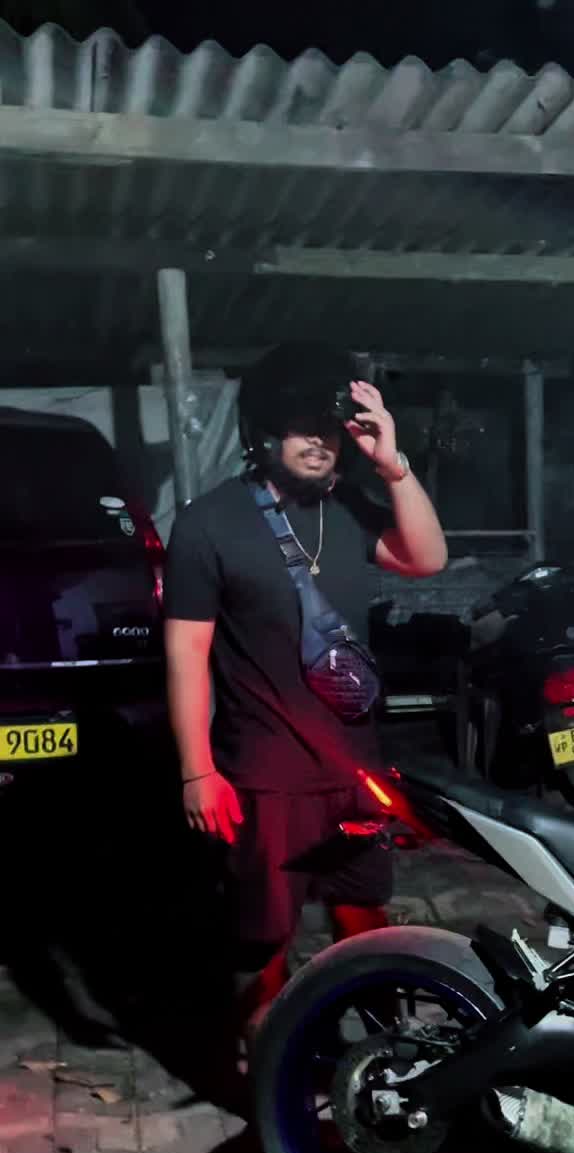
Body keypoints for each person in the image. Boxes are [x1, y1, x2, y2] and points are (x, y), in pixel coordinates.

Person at [163, 340, 448, 1050]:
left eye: (330, 427)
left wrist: (392, 465)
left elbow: (427, 558)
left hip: (354, 770)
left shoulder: (347, 509)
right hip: (265, 778)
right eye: (302, 426)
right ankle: (266, 1061)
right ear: (264, 432)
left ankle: (385, 1056)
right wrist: (197, 772)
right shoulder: (209, 523)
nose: (319, 442)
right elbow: (187, 654)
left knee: (364, 913)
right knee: (264, 934)